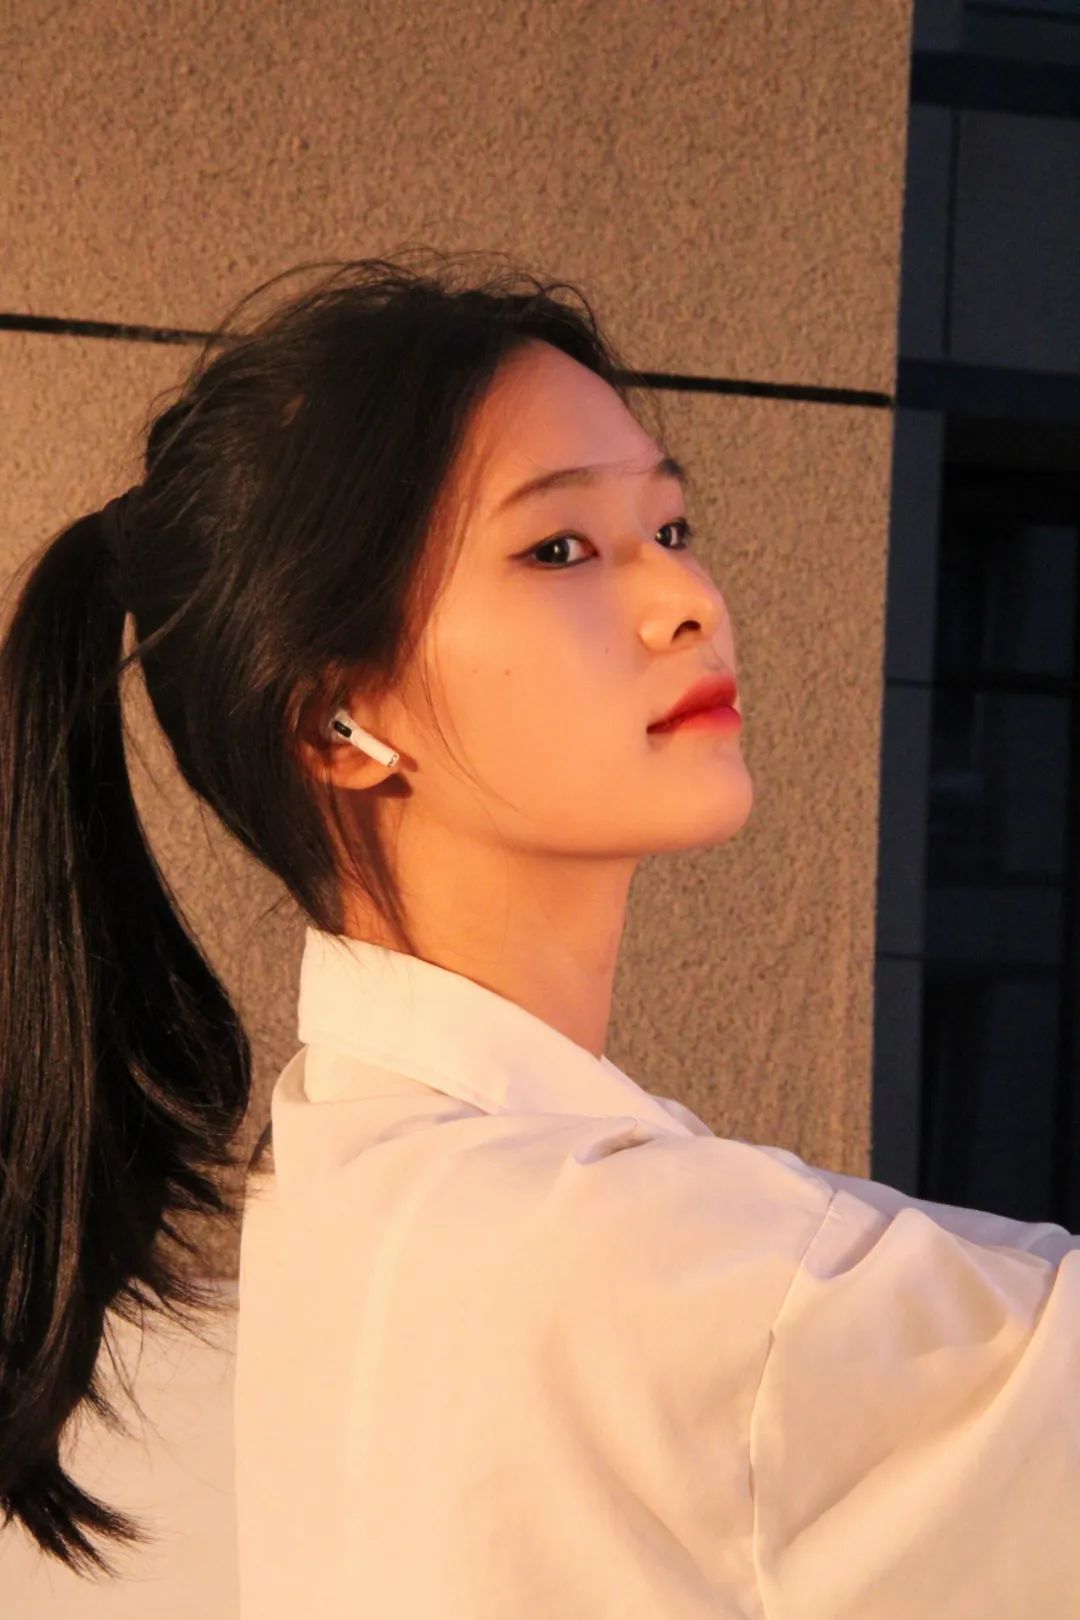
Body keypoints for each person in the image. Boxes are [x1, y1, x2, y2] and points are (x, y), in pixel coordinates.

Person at [1, 253, 1077, 1619]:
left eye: (671, 525)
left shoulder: (347, 1177)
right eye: (559, 548)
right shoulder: (646, 1264)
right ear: (338, 720)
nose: (688, 599)